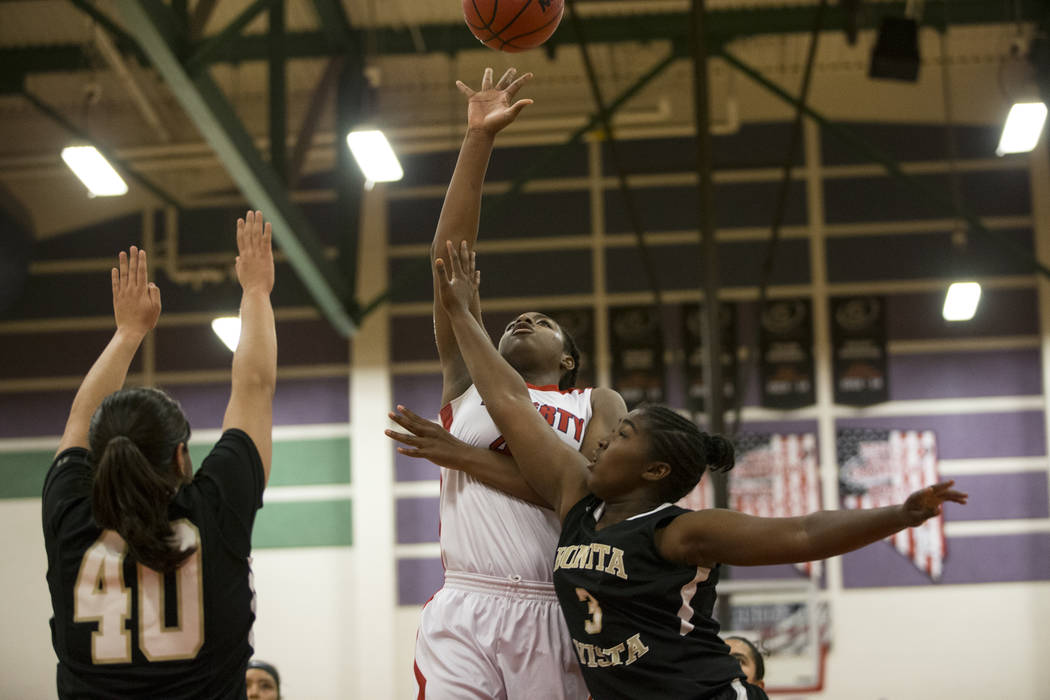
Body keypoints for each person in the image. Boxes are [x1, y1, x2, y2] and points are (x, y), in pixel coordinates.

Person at [399, 240, 968, 700]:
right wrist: (460, 312)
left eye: (620, 437)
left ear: (653, 471)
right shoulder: (576, 500)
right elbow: (511, 403)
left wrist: (900, 513)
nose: (599, 447)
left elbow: (800, 533)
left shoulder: (678, 532)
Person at [395, 67, 627, 699]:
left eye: (545, 322)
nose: (525, 319)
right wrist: (478, 140)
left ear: (569, 360)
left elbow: (582, 493)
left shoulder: (597, 403)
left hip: (561, 609)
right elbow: (448, 261)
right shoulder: (467, 384)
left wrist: (461, 457)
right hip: (467, 601)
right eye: (517, 319)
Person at [42, 211, 277, 698]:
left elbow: (77, 421)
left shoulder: (70, 521)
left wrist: (128, 333)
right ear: (179, 456)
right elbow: (253, 386)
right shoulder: (215, 513)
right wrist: (256, 291)